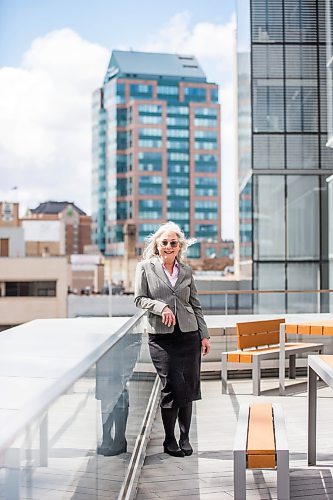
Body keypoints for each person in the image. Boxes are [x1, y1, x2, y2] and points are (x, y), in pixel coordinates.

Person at [134, 221, 211, 457]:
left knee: (188, 387)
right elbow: (139, 299)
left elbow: (194, 304)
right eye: (164, 242)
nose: (168, 246)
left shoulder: (186, 271)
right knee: (171, 386)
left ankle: (185, 439)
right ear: (157, 244)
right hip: (161, 337)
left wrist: (204, 335)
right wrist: (161, 307)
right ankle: (169, 440)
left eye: (173, 243)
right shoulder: (145, 267)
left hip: (189, 336)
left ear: (180, 247)